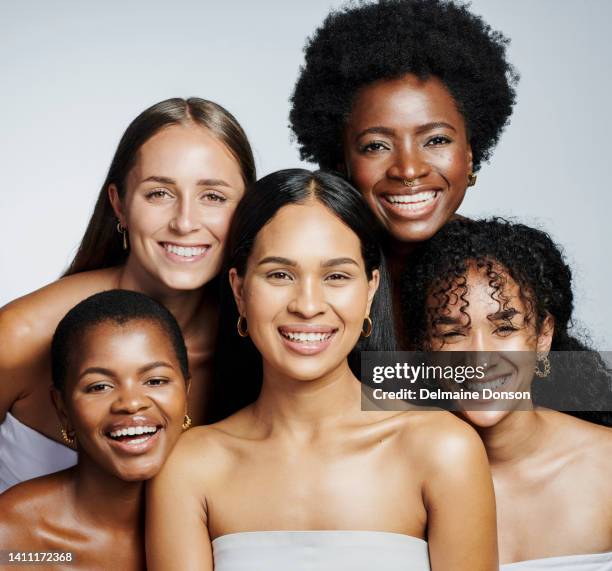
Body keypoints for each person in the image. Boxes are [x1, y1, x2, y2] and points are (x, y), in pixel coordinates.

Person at [146, 169, 498, 571]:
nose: (308, 304)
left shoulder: (443, 450)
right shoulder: (191, 465)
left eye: (336, 276)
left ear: (370, 290)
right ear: (240, 291)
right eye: (280, 275)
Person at [0, 97, 255, 492]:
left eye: (213, 197)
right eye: (159, 194)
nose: (185, 222)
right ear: (119, 205)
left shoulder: (263, 343)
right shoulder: (22, 334)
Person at [289, 0, 517, 340]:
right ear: (342, 162)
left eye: (436, 140)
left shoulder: (509, 274)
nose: (408, 170)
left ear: (469, 153)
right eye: (376, 146)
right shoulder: (308, 271)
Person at [400, 218, 612, 569]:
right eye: (453, 333)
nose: (480, 357)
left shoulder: (605, 465)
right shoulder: (401, 477)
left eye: (504, 328)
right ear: (425, 346)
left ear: (542, 337)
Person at [0, 290, 190, 570]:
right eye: (99, 386)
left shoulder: (222, 515)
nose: (131, 403)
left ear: (186, 393)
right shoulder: (16, 540)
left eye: (155, 380)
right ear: (62, 408)